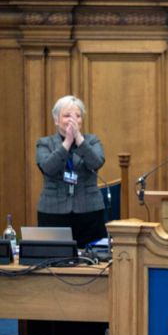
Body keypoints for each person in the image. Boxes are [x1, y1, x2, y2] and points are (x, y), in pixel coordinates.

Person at [36, 95, 107, 248]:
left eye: (77, 116)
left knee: (93, 261)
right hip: (54, 212)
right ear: (56, 120)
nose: (72, 120)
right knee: (54, 259)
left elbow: (96, 162)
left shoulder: (92, 141)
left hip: (89, 211)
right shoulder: (44, 143)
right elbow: (48, 168)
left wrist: (79, 140)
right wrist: (67, 142)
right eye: (67, 115)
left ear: (82, 120)